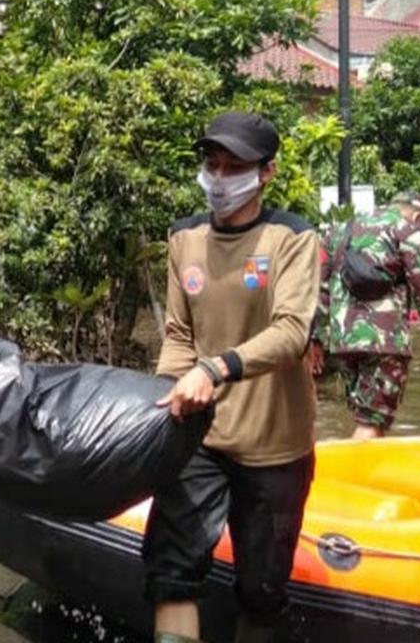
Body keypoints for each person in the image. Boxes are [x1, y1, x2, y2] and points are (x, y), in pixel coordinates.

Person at [149, 112, 319, 643]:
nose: (219, 178)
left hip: (274, 446)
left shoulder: (292, 239)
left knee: (261, 593)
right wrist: (162, 392)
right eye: (212, 164)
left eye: (235, 166)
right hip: (201, 436)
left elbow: (292, 331)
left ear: (266, 172)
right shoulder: (185, 238)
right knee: (171, 577)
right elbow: (179, 332)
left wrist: (215, 367)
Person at [311, 190, 420, 439]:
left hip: (342, 343)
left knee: (365, 414)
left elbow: (319, 286)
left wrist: (316, 339)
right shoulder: (407, 228)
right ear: (418, 214)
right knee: (372, 421)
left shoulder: (341, 229)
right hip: (384, 343)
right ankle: (351, 476)